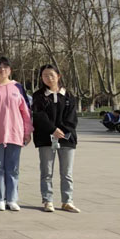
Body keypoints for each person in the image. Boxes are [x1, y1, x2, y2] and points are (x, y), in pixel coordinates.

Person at [0, 57, 33, 212]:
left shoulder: (17, 87)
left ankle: (12, 199)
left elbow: (26, 111)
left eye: (5, 67)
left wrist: (27, 131)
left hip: (14, 133)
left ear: (10, 70)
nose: (2, 69)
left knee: (13, 167)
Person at [31, 64, 80, 213]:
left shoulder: (69, 95)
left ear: (58, 76)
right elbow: (39, 116)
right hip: (46, 138)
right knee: (46, 172)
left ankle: (67, 201)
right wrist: (52, 130)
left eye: (51, 75)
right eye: (45, 75)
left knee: (67, 173)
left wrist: (62, 131)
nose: (48, 78)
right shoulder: (38, 96)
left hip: (66, 138)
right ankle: (48, 200)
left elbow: (72, 118)